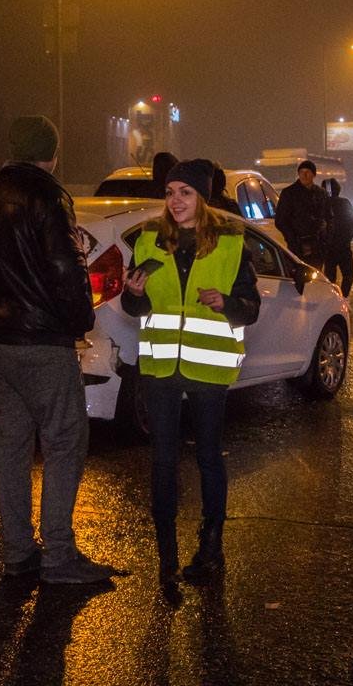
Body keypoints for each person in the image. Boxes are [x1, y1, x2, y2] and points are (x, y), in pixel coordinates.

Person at [0, 115, 124, 585]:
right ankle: (59, 556)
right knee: (66, 440)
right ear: (52, 154)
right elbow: (67, 269)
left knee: (13, 443)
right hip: (42, 342)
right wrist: (78, 319)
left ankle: (18, 552)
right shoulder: (48, 198)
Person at [121, 158, 260, 587]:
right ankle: (165, 554)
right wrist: (134, 295)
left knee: (207, 457)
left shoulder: (231, 242)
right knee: (162, 460)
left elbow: (250, 308)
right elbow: (135, 308)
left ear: (201, 198)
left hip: (208, 367)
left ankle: (211, 546)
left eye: (185, 192)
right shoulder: (148, 239)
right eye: (170, 192)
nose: (176, 200)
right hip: (161, 366)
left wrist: (227, 304)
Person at [274, 159, 330, 267]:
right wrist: (292, 239)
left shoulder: (321, 193)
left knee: (317, 278)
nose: (304, 175)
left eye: (307, 172)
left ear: (314, 175)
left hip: (318, 246)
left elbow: (328, 217)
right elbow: (280, 220)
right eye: (301, 172)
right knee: (300, 277)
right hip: (298, 246)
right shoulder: (289, 193)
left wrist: (325, 238)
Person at [322, 178, 353, 297]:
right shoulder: (345, 203)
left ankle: (333, 299)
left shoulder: (321, 204)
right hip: (344, 247)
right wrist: (346, 240)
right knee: (348, 274)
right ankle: (344, 297)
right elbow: (352, 223)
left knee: (330, 277)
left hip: (328, 249)